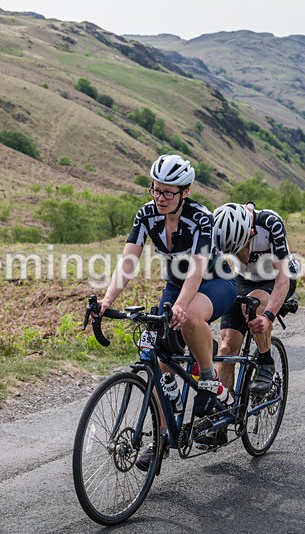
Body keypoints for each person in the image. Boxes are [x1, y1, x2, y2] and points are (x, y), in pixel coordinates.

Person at [94, 154, 237, 470]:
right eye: (156, 190)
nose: (160, 198)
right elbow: (128, 262)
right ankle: (161, 441)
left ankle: (210, 381)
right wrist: (106, 301)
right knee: (156, 359)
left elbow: (196, 273)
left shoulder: (200, 218)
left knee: (191, 320)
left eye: (168, 192)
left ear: (185, 192)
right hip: (174, 286)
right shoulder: (146, 215)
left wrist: (183, 308)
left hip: (215, 283)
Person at [212, 201, 299, 396]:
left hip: (277, 277)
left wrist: (267, 316)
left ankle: (266, 361)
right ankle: (223, 410)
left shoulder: (269, 223)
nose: (238, 255)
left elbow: (283, 279)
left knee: (253, 305)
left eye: (239, 247)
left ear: (250, 233)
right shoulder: (217, 227)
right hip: (244, 278)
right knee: (226, 348)